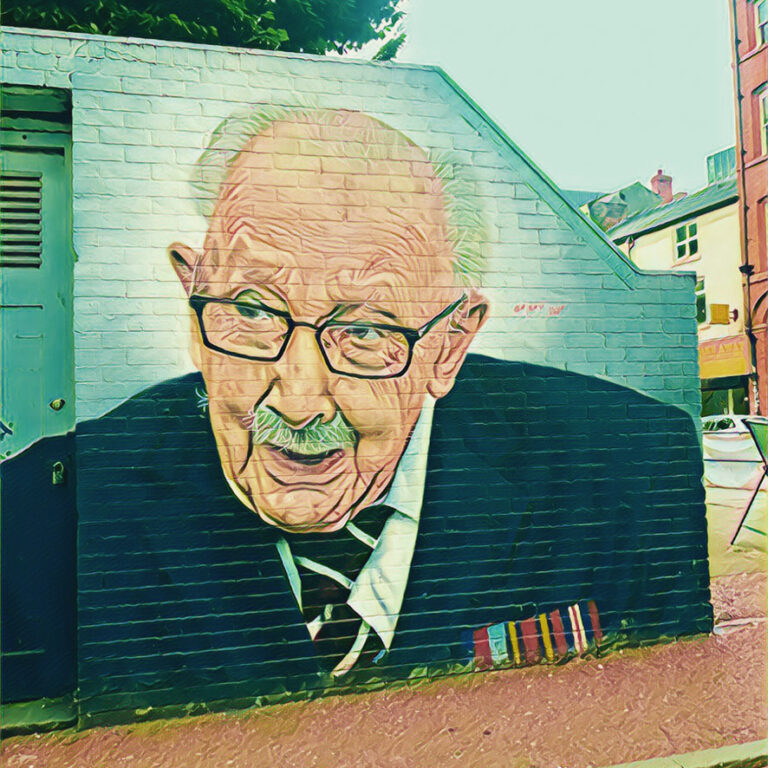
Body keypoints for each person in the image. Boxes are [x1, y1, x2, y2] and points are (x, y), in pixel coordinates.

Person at [2, 108, 712, 713]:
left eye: (365, 331)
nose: (300, 399)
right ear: (193, 300)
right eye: (251, 310)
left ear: (448, 346)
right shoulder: (35, 513)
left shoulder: (631, 468)